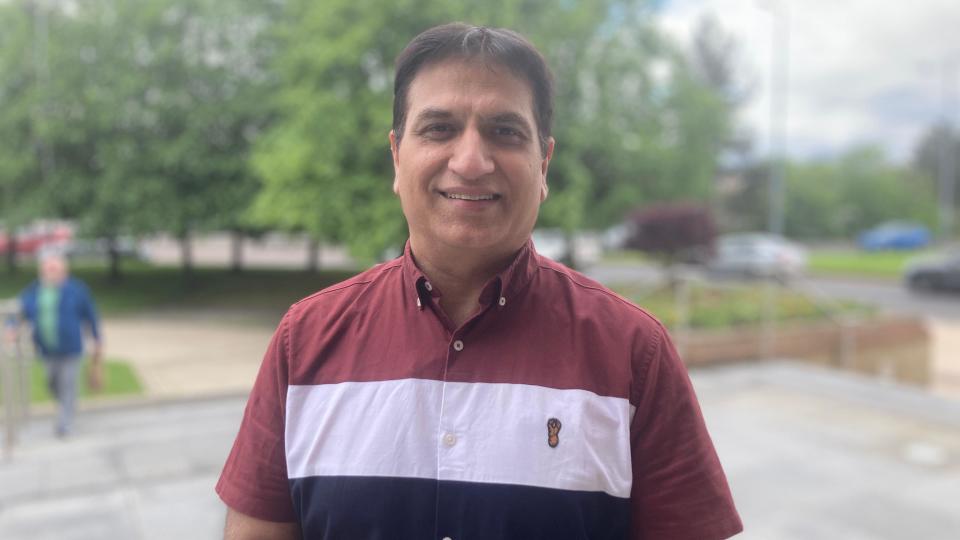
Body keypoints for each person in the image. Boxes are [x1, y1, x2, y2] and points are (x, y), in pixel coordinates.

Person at [217, 23, 742, 540]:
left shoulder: (634, 353)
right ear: (397, 156)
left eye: (505, 131)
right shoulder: (303, 341)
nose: (470, 161)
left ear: (544, 165)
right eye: (439, 128)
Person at [8, 251, 102, 437]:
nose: (50, 272)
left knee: (68, 383)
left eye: (54, 268)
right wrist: (11, 327)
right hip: (46, 349)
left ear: (64, 270)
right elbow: (18, 311)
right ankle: (66, 405)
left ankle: (64, 423)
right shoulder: (35, 290)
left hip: (71, 348)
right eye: (47, 268)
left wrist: (97, 339)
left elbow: (91, 314)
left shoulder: (76, 289)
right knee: (52, 383)